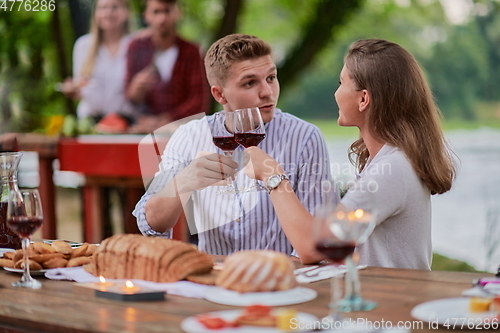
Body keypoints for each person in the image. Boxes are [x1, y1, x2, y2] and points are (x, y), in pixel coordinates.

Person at [244, 39, 456, 270]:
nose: (336, 93)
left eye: (341, 83)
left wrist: (272, 176)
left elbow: (314, 247)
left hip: (391, 302)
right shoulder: (388, 160)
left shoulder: (392, 169)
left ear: (364, 99)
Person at [133, 34, 333, 263]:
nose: (267, 92)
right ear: (219, 94)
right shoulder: (190, 136)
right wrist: (183, 181)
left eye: (271, 77)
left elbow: (320, 242)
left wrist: (273, 177)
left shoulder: (305, 137)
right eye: (250, 82)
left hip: (284, 280)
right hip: (216, 281)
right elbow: (150, 223)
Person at [125, 0, 210, 133]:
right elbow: (129, 97)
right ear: (146, 15)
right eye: (156, 12)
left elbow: (198, 101)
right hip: (142, 131)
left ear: (178, 13)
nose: (161, 18)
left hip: (181, 131)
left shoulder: (191, 52)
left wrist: (165, 120)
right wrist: (135, 89)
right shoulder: (136, 47)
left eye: (167, 11)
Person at [62, 0, 136, 123]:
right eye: (103, 8)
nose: (108, 13)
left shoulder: (136, 45)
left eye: (114, 7)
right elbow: (80, 88)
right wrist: (72, 89)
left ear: (126, 12)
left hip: (127, 122)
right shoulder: (83, 45)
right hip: (90, 122)